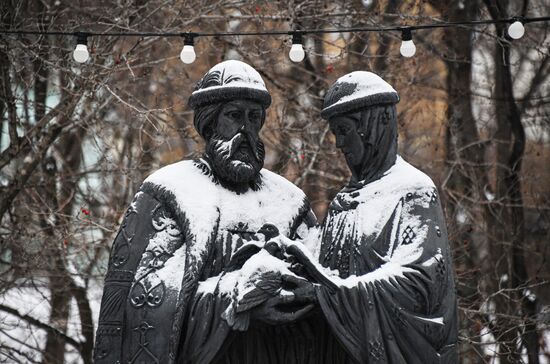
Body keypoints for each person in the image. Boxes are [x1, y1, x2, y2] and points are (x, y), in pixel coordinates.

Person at [93, 60, 317, 364]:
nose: (246, 130)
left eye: (254, 118)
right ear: (210, 123)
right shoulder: (167, 194)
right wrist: (236, 297)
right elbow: (141, 302)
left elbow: (321, 287)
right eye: (234, 116)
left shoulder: (290, 202)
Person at [267, 71, 459, 363]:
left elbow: (419, 285)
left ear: (376, 123)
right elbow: (329, 272)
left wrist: (325, 295)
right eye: (335, 134)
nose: (338, 144)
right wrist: (294, 258)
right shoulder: (344, 202)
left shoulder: (412, 192)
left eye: (344, 130)